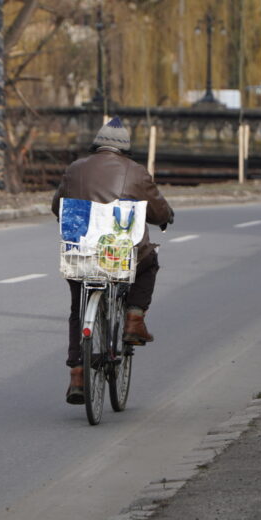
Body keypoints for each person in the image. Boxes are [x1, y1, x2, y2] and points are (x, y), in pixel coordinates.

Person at [51, 116, 174, 404]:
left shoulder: (75, 168)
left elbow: (58, 205)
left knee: (77, 308)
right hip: (119, 256)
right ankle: (133, 319)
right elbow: (157, 210)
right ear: (125, 149)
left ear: (97, 145)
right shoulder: (136, 172)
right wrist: (166, 216)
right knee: (149, 261)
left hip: (80, 255)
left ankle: (77, 376)